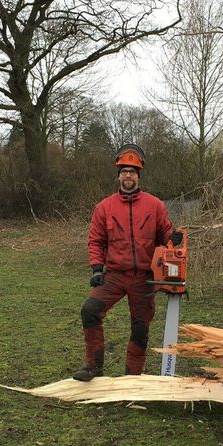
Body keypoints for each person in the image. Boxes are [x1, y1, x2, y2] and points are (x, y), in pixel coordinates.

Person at [74, 143, 178, 381]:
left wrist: (174, 238)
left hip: (144, 277)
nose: (128, 175)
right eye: (124, 171)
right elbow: (96, 240)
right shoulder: (104, 207)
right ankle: (93, 366)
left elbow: (166, 237)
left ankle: (132, 377)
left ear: (138, 176)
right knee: (90, 310)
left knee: (140, 328)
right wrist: (97, 268)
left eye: (132, 171)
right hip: (114, 275)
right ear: (118, 176)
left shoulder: (154, 205)